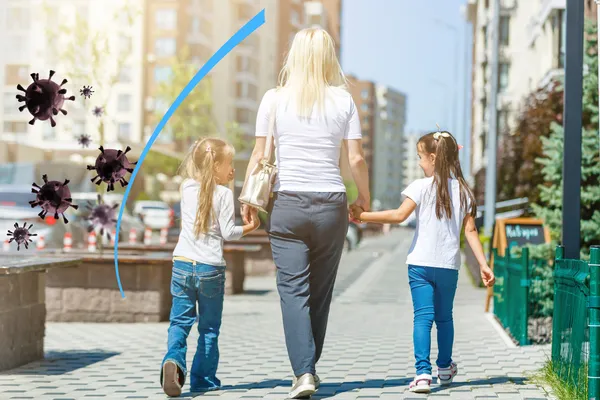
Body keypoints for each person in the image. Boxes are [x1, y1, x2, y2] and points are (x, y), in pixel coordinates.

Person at [242, 27, 370, 399]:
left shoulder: (274, 99)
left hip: (287, 204)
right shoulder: (343, 100)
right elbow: (356, 158)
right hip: (331, 204)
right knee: (319, 293)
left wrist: (248, 200)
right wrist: (364, 198)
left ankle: (304, 372)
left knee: (293, 291)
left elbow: (259, 156)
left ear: (293, 56)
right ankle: (308, 367)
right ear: (329, 56)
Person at [350, 130, 495, 394]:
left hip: (420, 264)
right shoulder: (463, 190)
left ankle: (422, 375)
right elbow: (471, 231)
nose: (418, 163)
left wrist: (364, 216)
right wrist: (484, 264)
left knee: (422, 318)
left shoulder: (420, 186)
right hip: (448, 266)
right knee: (444, 319)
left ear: (432, 157)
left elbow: (398, 215)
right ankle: (444, 368)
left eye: (419, 157)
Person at [160, 138, 260, 397]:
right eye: (229, 164)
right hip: (210, 269)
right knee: (209, 328)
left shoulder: (185, 187)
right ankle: (203, 381)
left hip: (182, 263)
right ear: (215, 165)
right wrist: (252, 226)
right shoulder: (225, 194)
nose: (233, 170)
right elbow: (229, 233)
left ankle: (173, 361)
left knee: (179, 323)